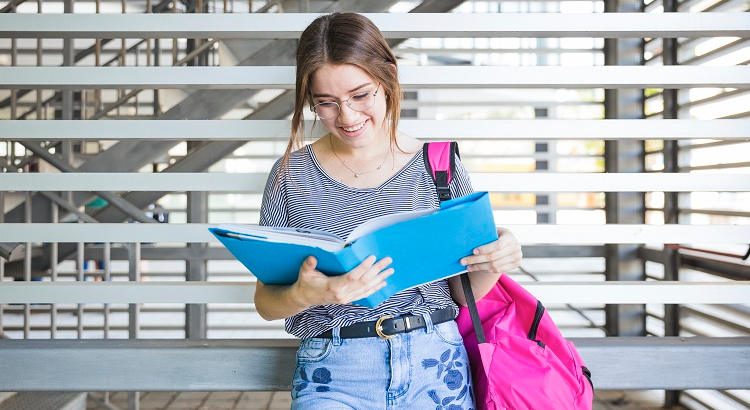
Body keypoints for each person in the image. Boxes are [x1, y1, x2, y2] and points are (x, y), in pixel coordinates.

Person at [254, 12, 522, 410]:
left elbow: (465, 296)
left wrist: (497, 258)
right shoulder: (291, 176)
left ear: (387, 79)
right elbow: (265, 302)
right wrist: (305, 293)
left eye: (360, 95)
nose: (346, 117)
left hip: (437, 363)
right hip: (334, 371)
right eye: (325, 103)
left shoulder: (439, 165)